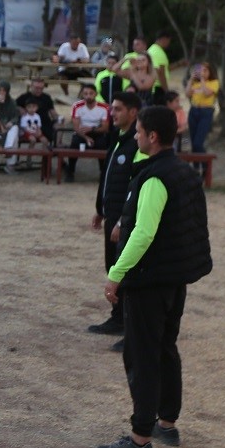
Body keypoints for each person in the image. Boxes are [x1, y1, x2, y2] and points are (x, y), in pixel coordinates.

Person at [96, 105, 212, 448]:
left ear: (153, 137)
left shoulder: (155, 177)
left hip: (150, 281)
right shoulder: (183, 171)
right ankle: (166, 423)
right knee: (165, 348)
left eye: (139, 131)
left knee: (143, 355)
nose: (135, 136)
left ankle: (140, 438)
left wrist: (116, 274)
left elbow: (144, 233)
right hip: (175, 278)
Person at [88, 92, 143, 343]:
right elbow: (109, 177)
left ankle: (131, 325)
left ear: (133, 112)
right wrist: (101, 209)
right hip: (111, 214)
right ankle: (117, 317)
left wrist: (123, 220)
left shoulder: (137, 144)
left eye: (118, 109)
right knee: (112, 266)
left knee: (126, 270)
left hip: (126, 220)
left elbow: (135, 186)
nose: (113, 113)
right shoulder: (119, 139)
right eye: (112, 109)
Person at [66, 84, 109, 180]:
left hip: (97, 132)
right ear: (82, 94)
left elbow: (105, 128)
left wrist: (92, 129)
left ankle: (103, 173)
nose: (88, 96)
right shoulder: (77, 106)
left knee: (102, 144)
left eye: (91, 93)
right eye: (85, 93)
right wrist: (86, 137)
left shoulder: (103, 108)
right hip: (81, 133)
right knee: (74, 144)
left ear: (96, 94)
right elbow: (76, 127)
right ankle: (70, 171)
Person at [185, 63, 220, 154]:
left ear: (210, 72)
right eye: (201, 70)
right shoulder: (195, 83)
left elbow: (207, 93)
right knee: (193, 142)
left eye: (205, 70)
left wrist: (202, 80)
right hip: (194, 110)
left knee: (198, 143)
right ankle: (196, 166)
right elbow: (187, 94)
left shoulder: (214, 82)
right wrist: (191, 79)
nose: (202, 73)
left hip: (206, 112)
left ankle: (205, 165)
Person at [16, 78, 58, 147]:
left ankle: (56, 147)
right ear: (31, 87)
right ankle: (30, 156)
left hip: (45, 124)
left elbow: (52, 112)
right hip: (29, 125)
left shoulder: (46, 97)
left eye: (41, 88)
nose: (39, 90)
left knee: (59, 125)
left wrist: (58, 118)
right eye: (37, 88)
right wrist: (19, 108)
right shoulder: (24, 97)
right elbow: (14, 105)